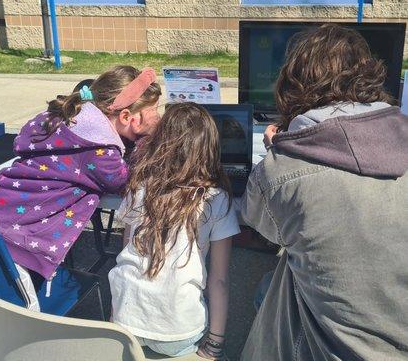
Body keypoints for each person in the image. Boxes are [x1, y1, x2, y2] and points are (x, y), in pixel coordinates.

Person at [241, 24, 408, 360]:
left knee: (274, 283)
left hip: (321, 351)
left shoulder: (279, 172)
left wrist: (278, 153)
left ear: (291, 85)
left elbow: (266, 230)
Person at [0, 65, 162, 311]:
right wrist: (147, 143)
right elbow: (128, 181)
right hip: (10, 241)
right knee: (21, 318)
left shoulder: (65, 120)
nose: (159, 116)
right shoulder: (99, 151)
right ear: (126, 117)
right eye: (154, 110)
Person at [108, 103, 240, 360]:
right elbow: (219, 280)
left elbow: (126, 251)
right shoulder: (216, 199)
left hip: (124, 322)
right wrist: (214, 344)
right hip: (178, 329)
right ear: (210, 147)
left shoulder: (139, 188)